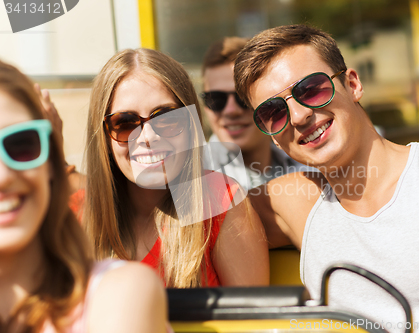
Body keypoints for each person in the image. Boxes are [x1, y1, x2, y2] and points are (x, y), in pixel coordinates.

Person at [234, 24, 419, 332]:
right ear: (273, 138)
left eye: (310, 89)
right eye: (273, 112)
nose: (298, 116)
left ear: (353, 84)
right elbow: (186, 215)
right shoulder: (293, 201)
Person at [0, 60, 167, 333]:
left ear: (51, 164)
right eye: (125, 123)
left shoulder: (118, 294)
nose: (3, 175)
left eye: (22, 144)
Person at [82, 48, 269, 288]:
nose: (147, 136)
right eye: (125, 123)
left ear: (191, 126)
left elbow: (253, 322)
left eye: (167, 119)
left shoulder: (222, 201)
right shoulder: (80, 217)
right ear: (104, 139)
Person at [201, 37, 312, 190]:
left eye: (242, 99)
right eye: (216, 99)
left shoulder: (311, 161)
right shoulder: (193, 175)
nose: (231, 111)